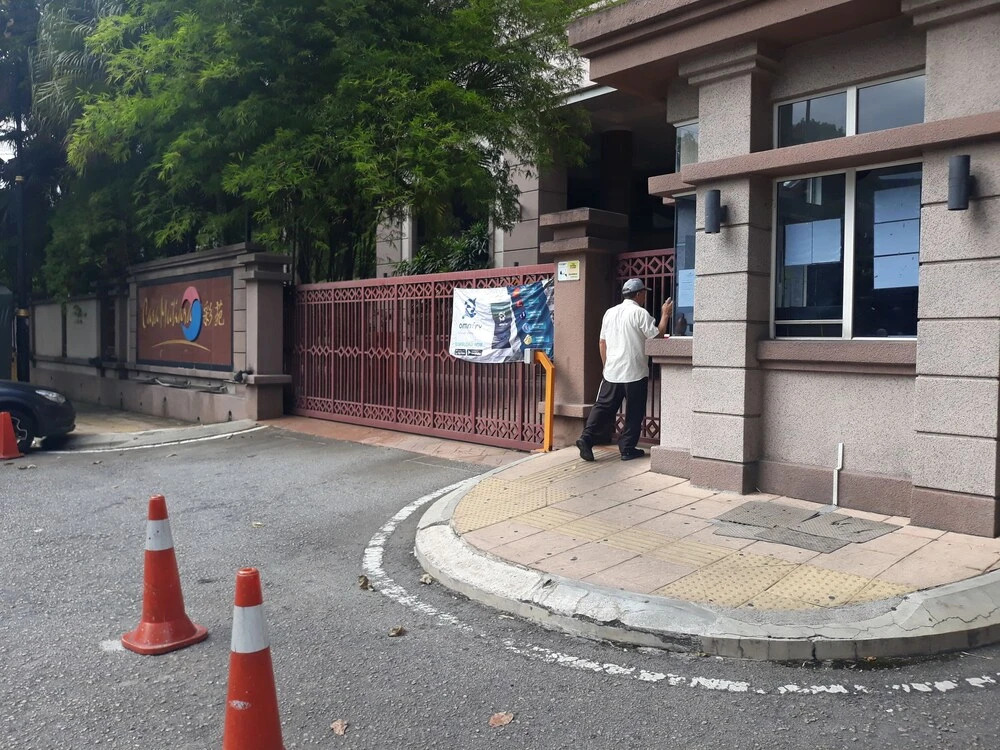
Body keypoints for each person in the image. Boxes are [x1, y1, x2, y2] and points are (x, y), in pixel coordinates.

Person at [576, 278, 672, 462]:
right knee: (634, 411)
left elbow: (602, 342)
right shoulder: (640, 313)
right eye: (644, 293)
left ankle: (586, 438)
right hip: (634, 372)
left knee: (603, 407)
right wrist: (665, 314)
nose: (645, 296)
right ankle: (627, 449)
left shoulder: (609, 313)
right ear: (639, 294)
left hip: (612, 371)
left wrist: (606, 366)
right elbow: (657, 336)